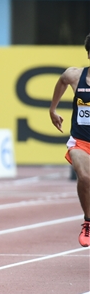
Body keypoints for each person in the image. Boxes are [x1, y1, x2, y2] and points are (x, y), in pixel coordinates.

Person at [48, 34, 90, 247]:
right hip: (81, 141)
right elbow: (62, 81)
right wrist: (53, 109)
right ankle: (88, 221)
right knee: (84, 176)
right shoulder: (75, 76)